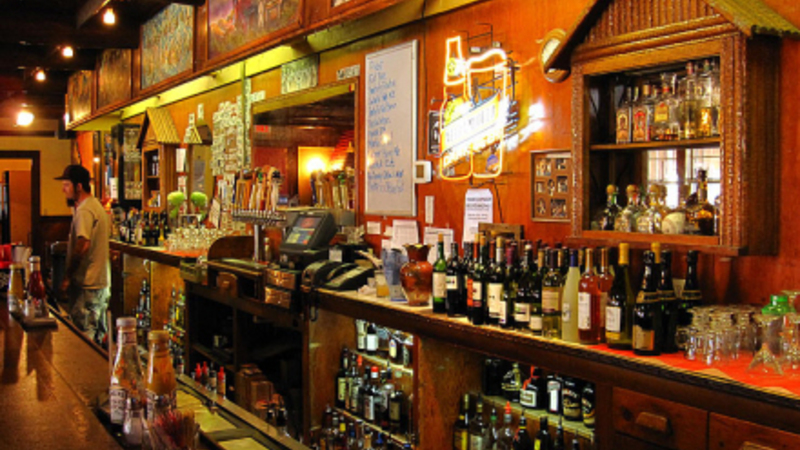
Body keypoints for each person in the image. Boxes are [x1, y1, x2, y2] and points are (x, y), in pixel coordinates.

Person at [57, 164, 110, 344]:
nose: (63, 189)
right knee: (99, 336)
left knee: (85, 338)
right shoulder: (96, 206)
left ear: (78, 186)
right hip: (100, 282)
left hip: (88, 284)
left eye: (67, 185)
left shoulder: (85, 210)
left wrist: (68, 276)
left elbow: (83, 244)